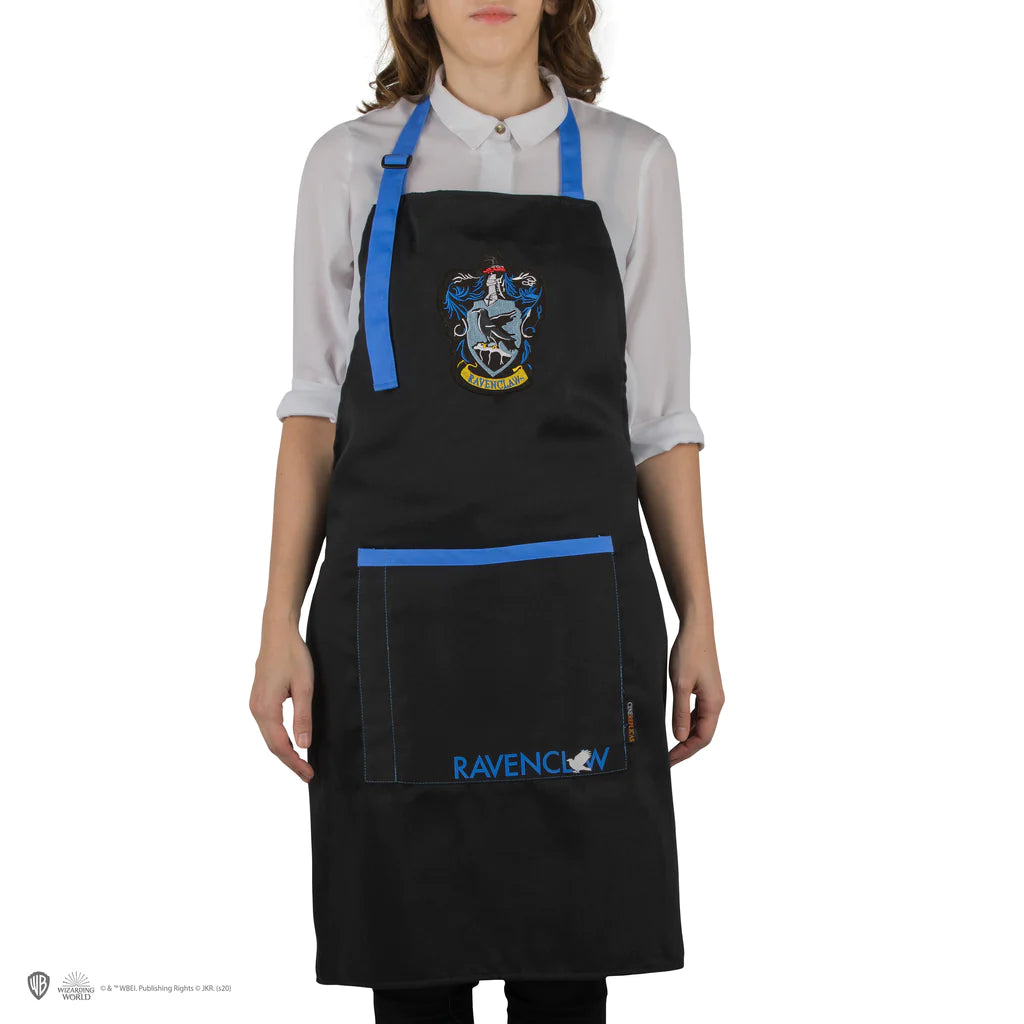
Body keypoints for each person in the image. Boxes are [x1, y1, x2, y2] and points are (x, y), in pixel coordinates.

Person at [250, 1, 725, 1020]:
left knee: (568, 976)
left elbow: (659, 422)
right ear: (413, 2)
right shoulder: (346, 166)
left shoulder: (633, 163)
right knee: (413, 977)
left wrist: (699, 616)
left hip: (576, 625)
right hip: (395, 627)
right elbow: (313, 413)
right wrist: (277, 622)